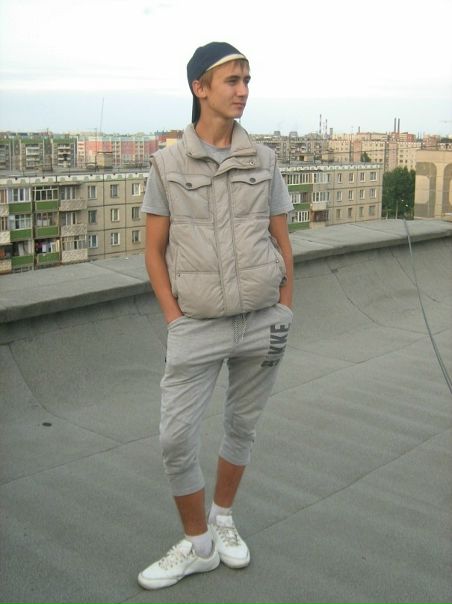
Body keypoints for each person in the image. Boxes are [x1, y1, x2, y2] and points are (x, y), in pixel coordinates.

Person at [138, 41, 294, 590]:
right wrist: (174, 318)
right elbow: (154, 250)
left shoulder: (265, 160)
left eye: (247, 79)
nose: (243, 90)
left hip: (262, 322)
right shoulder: (167, 163)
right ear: (199, 88)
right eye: (232, 80)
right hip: (197, 326)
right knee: (175, 438)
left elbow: (282, 239)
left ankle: (223, 518)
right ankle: (198, 543)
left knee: (242, 426)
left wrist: (284, 310)